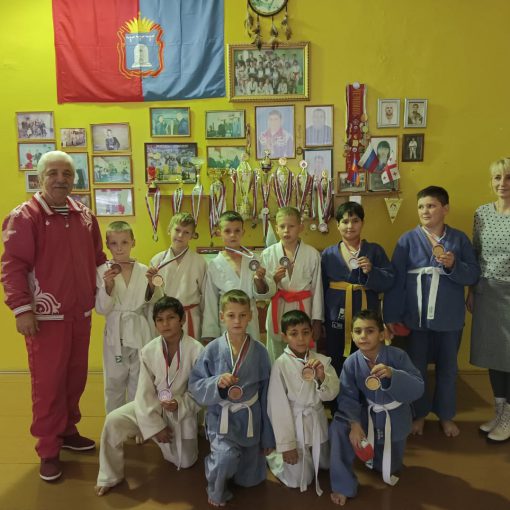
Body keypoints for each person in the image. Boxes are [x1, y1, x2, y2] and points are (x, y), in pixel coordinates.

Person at [1, 150, 106, 481]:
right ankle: (48, 448)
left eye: (67, 174)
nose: (61, 179)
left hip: (80, 315)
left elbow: (98, 258)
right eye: (53, 173)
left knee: (75, 379)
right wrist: (22, 310)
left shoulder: (85, 216)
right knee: (48, 385)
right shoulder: (24, 217)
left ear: (74, 178)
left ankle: (67, 431)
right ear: (39, 177)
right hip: (45, 320)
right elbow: (12, 267)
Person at [384, 186, 480, 437]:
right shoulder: (407, 240)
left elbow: (473, 274)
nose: (425, 211)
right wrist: (391, 315)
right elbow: (396, 280)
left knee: (448, 368)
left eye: (431, 206)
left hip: (449, 316)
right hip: (416, 317)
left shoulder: (459, 239)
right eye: (421, 207)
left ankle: (446, 415)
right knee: (416, 369)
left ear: (445, 209)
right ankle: (419, 415)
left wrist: (454, 265)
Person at [95, 296, 204, 496]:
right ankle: (109, 476)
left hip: (180, 411)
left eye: (171, 318)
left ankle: (169, 438)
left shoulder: (197, 350)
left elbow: (200, 392)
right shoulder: (149, 350)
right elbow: (144, 393)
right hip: (152, 408)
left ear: (182, 320)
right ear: (155, 324)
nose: (165, 324)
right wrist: (155, 426)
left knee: (185, 462)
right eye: (160, 320)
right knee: (113, 420)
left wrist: (179, 404)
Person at [188, 289, 275, 507]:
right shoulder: (212, 349)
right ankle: (215, 482)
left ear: (251, 316)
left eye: (242, 315)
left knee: (250, 481)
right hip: (222, 417)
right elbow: (195, 385)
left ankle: (236, 466)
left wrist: (268, 437)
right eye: (231, 315)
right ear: (222, 317)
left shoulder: (260, 352)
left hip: (250, 420)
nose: (237, 321)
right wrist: (216, 382)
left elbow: (267, 396)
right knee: (225, 458)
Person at [329, 310, 424, 505]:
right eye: (358, 331)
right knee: (338, 426)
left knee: (388, 467)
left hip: (394, 418)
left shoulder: (398, 356)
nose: (363, 336)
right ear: (352, 336)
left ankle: (377, 456)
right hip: (368, 415)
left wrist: (393, 374)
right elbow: (347, 396)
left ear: (381, 334)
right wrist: (354, 423)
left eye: (370, 331)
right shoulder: (351, 363)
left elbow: (418, 387)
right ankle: (343, 485)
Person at [267, 310, 339, 495]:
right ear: (284, 336)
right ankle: (275, 457)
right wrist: (287, 445)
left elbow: (330, 395)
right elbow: (277, 407)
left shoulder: (321, 361)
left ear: (312, 333)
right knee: (299, 480)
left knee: (325, 464)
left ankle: (311, 455)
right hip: (294, 426)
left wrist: (322, 377)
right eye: (294, 333)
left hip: (316, 422)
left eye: (305, 332)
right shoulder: (280, 365)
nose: (300, 338)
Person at [322, 202, 394, 375]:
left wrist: (372, 271)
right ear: (337, 225)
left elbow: (389, 281)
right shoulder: (328, 254)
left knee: (369, 355)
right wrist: (321, 319)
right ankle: (339, 392)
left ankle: (369, 390)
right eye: (345, 221)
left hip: (368, 312)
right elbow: (321, 287)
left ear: (362, 223)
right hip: (336, 313)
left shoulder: (375, 250)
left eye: (355, 221)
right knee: (336, 354)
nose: (350, 226)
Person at [467, 157, 510, 442]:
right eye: (497, 177)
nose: (502, 183)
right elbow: (475, 253)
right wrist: (471, 290)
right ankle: (499, 411)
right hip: (487, 291)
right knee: (494, 354)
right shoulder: (482, 213)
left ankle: (509, 417)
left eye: (508, 177)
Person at [95, 221, 154, 413]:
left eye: (124, 242)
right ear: (107, 245)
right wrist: (108, 288)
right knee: (114, 381)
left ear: (133, 243)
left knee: (141, 380)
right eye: (114, 243)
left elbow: (153, 304)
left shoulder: (144, 270)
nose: (119, 248)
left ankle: (137, 422)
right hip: (115, 331)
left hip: (139, 330)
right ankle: (115, 423)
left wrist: (152, 286)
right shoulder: (102, 271)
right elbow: (101, 309)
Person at [259, 206, 323, 362]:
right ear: (276, 229)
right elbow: (263, 292)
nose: (286, 231)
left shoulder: (312, 254)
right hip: (278, 307)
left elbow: (317, 289)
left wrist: (317, 320)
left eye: (291, 226)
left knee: (304, 353)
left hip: (304, 308)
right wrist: (274, 281)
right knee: (277, 355)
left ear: (301, 227)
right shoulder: (268, 254)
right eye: (282, 226)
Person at [201, 211, 272, 343]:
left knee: (251, 352)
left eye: (237, 231)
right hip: (227, 321)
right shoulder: (214, 264)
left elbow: (263, 294)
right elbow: (210, 300)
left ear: (243, 232)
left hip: (250, 319)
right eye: (227, 231)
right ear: (219, 233)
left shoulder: (254, 259)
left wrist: (259, 280)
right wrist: (210, 332)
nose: (233, 235)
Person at [147, 213, 207, 340]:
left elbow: (205, 297)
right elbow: (152, 297)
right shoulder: (157, 260)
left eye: (186, 232)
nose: (180, 235)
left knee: (190, 351)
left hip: (190, 317)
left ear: (192, 235)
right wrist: (150, 284)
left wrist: (207, 327)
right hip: (165, 319)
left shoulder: (199, 262)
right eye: (177, 230)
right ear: (169, 230)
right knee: (166, 352)